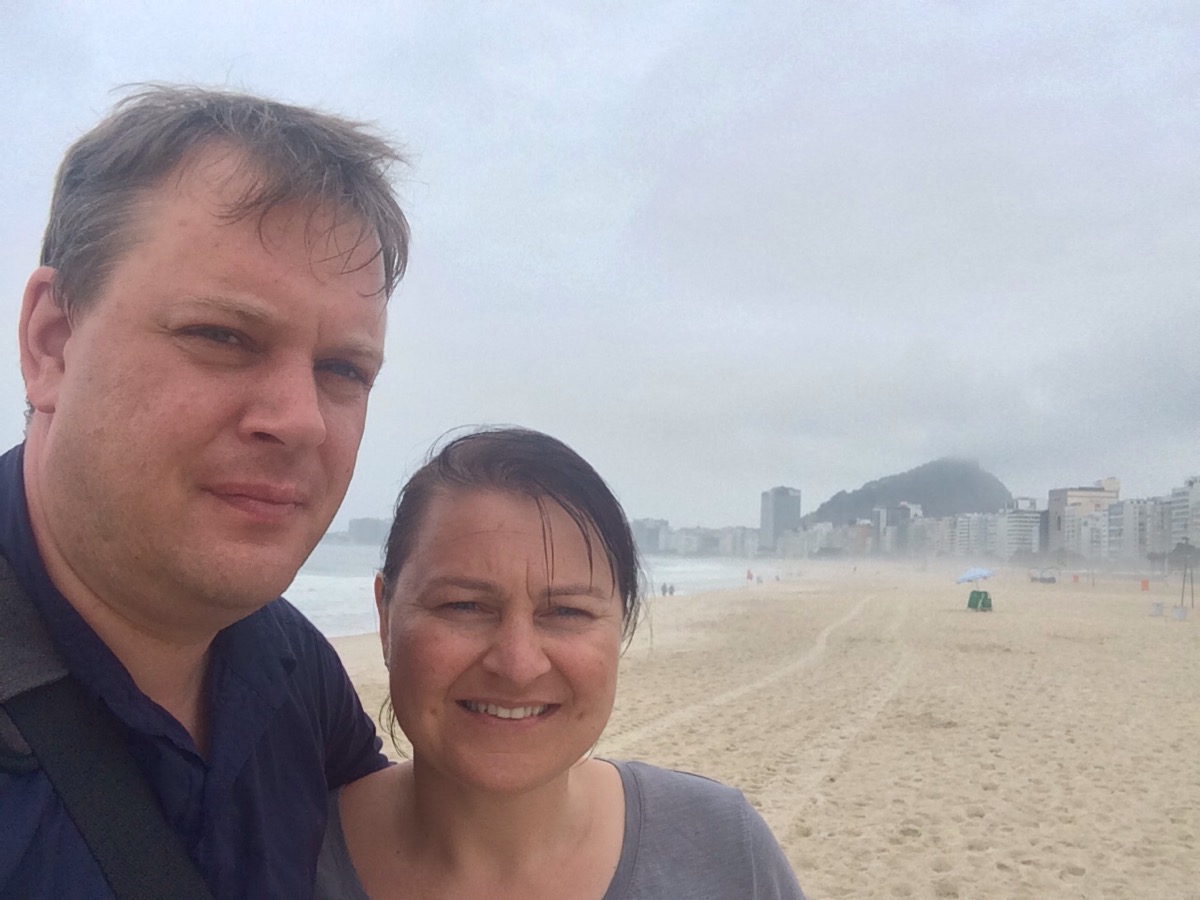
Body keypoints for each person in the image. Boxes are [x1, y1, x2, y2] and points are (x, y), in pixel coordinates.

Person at [0, 86, 410, 898]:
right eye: (222, 336)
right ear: (53, 343)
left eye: (342, 369)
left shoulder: (290, 665)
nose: (301, 421)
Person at [315, 427, 805, 899]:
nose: (518, 665)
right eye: (464, 606)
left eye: (567, 612)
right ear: (385, 618)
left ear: (622, 626)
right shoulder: (293, 853)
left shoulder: (722, 848)